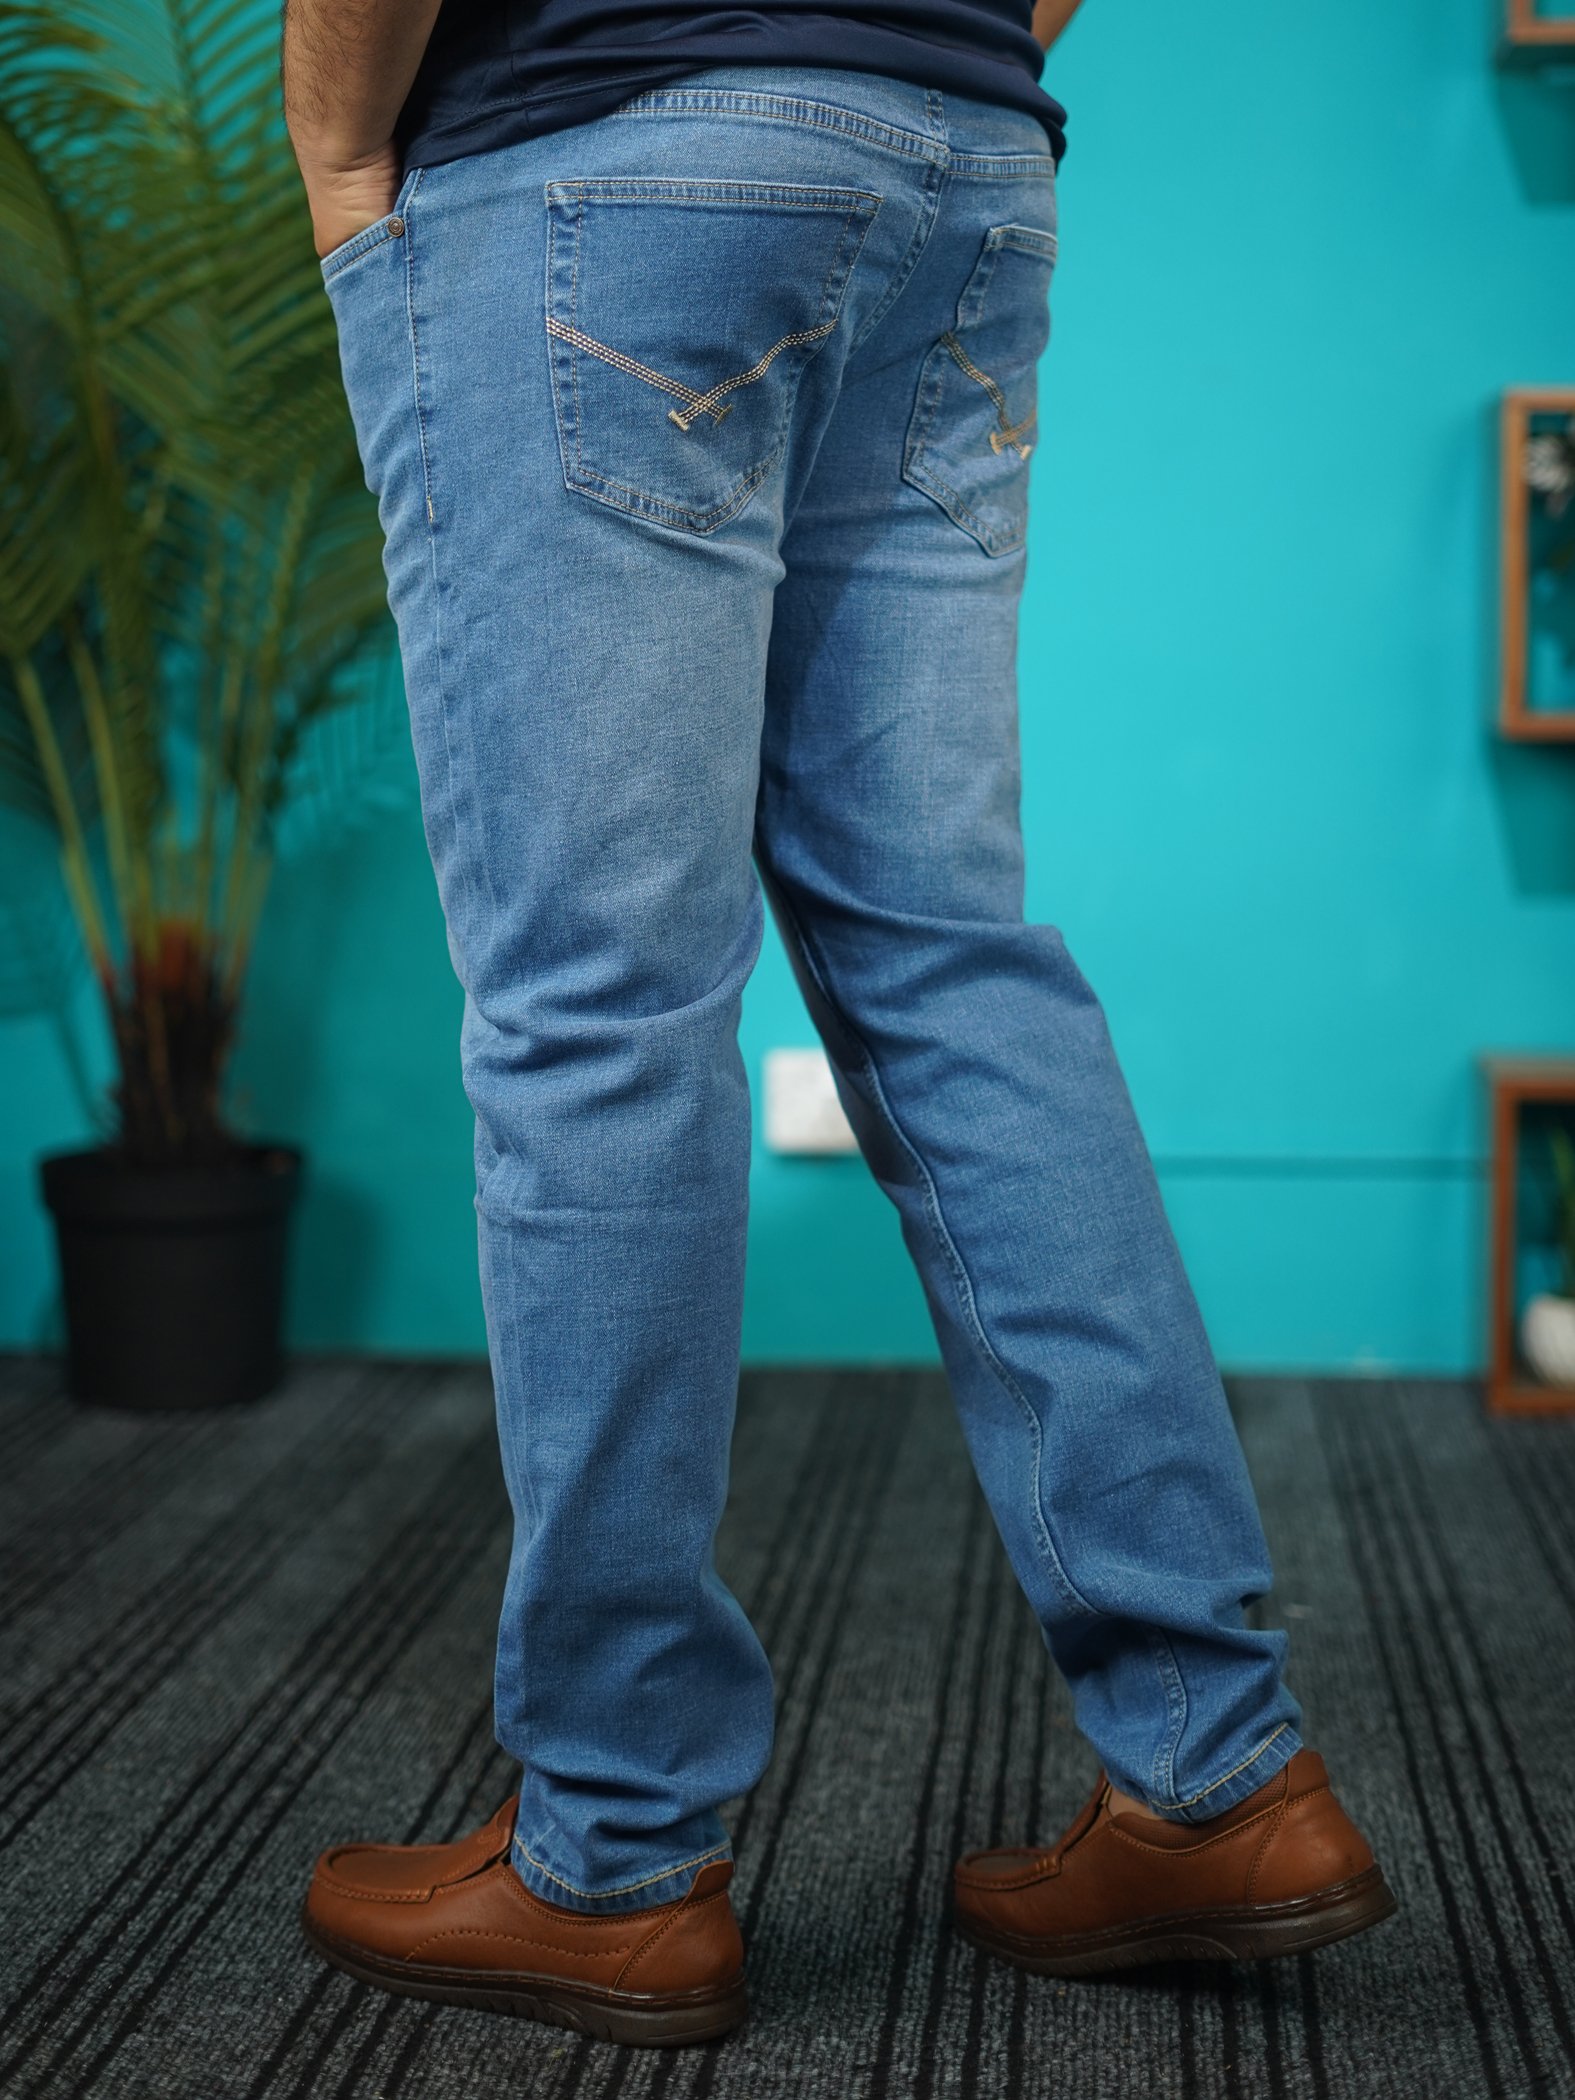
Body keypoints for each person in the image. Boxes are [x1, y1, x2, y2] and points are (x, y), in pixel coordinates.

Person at [282, 0, 1397, 2050]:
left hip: (603, 162)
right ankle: (1217, 1770)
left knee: (598, 1009)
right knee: (954, 964)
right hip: (957, 161)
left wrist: (350, 166)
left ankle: (614, 1850)